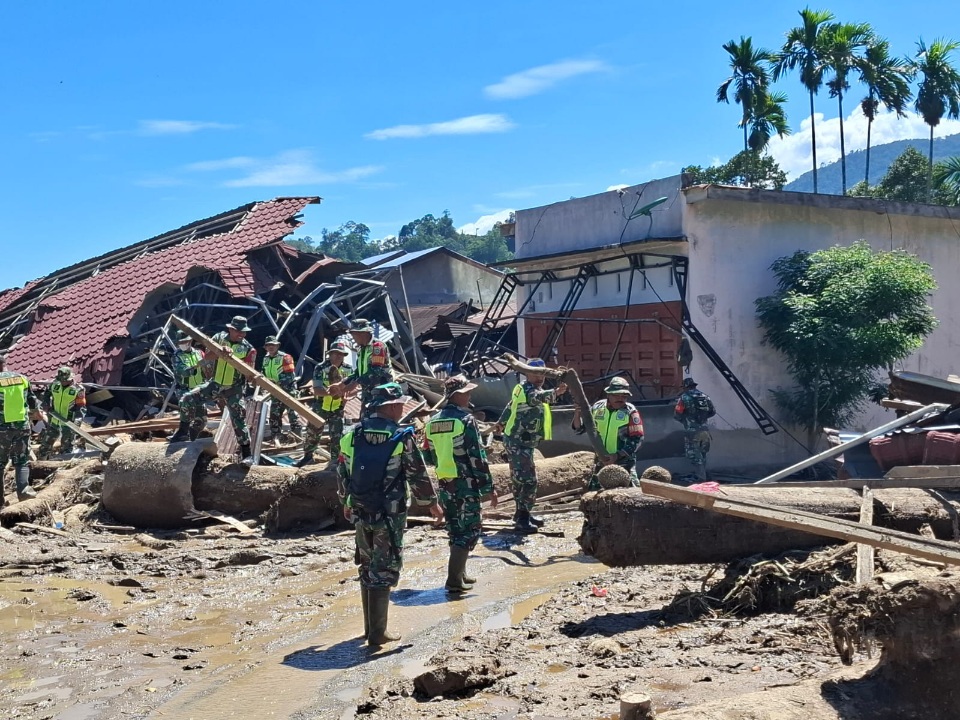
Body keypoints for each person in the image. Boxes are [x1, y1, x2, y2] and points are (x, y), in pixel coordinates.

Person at [337, 383, 443, 645]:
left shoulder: (352, 434)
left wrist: (346, 501)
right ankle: (377, 634)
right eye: (400, 404)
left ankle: (368, 628)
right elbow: (416, 473)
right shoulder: (401, 436)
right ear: (392, 407)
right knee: (383, 567)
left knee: (367, 564)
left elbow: (343, 472)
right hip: (389, 514)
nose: (402, 408)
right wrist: (432, 504)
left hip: (361, 511)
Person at [423, 375, 497, 594]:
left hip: (446, 483)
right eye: (467, 392)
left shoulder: (432, 422)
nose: (470, 396)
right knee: (470, 529)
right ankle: (454, 580)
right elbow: (478, 456)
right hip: (465, 483)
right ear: (457, 395)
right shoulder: (465, 421)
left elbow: (427, 454)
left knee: (455, 528)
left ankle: (460, 574)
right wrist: (488, 487)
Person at [495, 358, 567, 533]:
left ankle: (523, 513)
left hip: (522, 441)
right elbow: (536, 399)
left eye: (542, 373)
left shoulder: (525, 389)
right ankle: (522, 518)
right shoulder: (528, 390)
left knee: (521, 478)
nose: (540, 377)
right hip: (518, 441)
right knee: (527, 480)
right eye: (536, 373)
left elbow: (510, 407)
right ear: (527, 373)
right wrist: (556, 392)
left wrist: (500, 422)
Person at [171, 316, 256, 462]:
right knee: (187, 399)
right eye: (238, 331)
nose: (241, 335)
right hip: (215, 384)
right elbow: (208, 356)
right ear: (230, 329)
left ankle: (247, 454)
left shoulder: (248, 349)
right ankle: (183, 432)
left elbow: (250, 374)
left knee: (238, 420)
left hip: (234, 388)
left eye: (244, 332)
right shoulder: (219, 338)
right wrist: (219, 351)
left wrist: (246, 370)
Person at [573, 376, 645, 491]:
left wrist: (617, 455)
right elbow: (580, 429)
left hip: (624, 462)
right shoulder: (597, 407)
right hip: (601, 460)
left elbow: (637, 440)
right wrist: (577, 414)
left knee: (632, 493)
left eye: (624, 396)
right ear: (608, 394)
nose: (620, 399)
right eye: (616, 395)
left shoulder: (630, 412)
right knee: (595, 494)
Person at [299, 341, 352, 467]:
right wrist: (332, 393)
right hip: (320, 405)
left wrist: (346, 395)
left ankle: (335, 461)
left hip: (338, 407)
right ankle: (308, 457)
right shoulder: (320, 368)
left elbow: (352, 388)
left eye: (341, 354)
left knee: (337, 436)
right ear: (330, 354)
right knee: (312, 433)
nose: (338, 356)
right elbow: (316, 389)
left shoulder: (348, 369)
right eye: (335, 354)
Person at [0, 354, 43, 503]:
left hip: (2, 428)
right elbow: (33, 402)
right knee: (22, 460)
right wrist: (39, 416)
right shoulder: (22, 378)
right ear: (5, 364)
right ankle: (23, 491)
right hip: (21, 426)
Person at [330, 319, 393, 417]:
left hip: (381, 392)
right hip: (367, 392)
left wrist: (355, 384)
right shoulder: (361, 350)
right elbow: (358, 372)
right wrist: (342, 383)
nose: (353, 338)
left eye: (353, 334)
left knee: (378, 419)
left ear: (362, 333)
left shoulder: (377, 347)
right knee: (364, 419)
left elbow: (376, 371)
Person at [38, 366, 86, 459]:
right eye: (61, 380)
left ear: (70, 378)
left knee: (66, 447)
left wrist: (77, 421)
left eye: (64, 380)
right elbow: (46, 393)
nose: (62, 382)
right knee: (45, 444)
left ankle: (63, 465)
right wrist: (46, 403)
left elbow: (81, 407)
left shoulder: (78, 389)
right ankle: (40, 462)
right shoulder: (55, 384)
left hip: (68, 422)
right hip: (54, 419)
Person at [261, 336, 302, 442]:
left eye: (273, 345)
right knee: (274, 415)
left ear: (277, 346)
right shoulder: (265, 359)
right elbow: (263, 373)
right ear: (265, 347)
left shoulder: (285, 357)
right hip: (275, 391)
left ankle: (297, 438)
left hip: (288, 390)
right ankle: (276, 437)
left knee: (292, 414)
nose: (271, 347)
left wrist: (275, 384)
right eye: (268, 345)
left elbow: (289, 376)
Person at [674, 377, 715, 481]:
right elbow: (713, 411)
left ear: (685, 387)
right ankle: (703, 476)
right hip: (705, 430)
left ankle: (701, 478)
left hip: (692, 432)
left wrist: (687, 421)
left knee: (694, 455)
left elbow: (677, 414)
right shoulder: (705, 396)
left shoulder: (684, 397)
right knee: (702, 454)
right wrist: (702, 419)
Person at [171, 332, 204, 398]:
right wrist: (196, 366)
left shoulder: (199, 353)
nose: (182, 344)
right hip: (185, 390)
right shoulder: (176, 356)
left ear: (190, 341)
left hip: (201, 388)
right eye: (180, 343)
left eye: (184, 342)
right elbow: (182, 372)